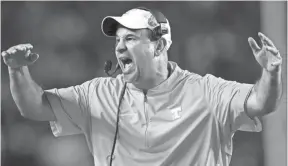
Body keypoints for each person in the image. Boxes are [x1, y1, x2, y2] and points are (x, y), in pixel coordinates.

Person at [2, 7, 282, 166]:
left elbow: (261, 103)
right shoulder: (99, 94)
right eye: (118, 40)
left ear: (159, 45)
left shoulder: (207, 92)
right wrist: (17, 70)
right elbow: (34, 107)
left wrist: (270, 72)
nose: (120, 46)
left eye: (131, 39)